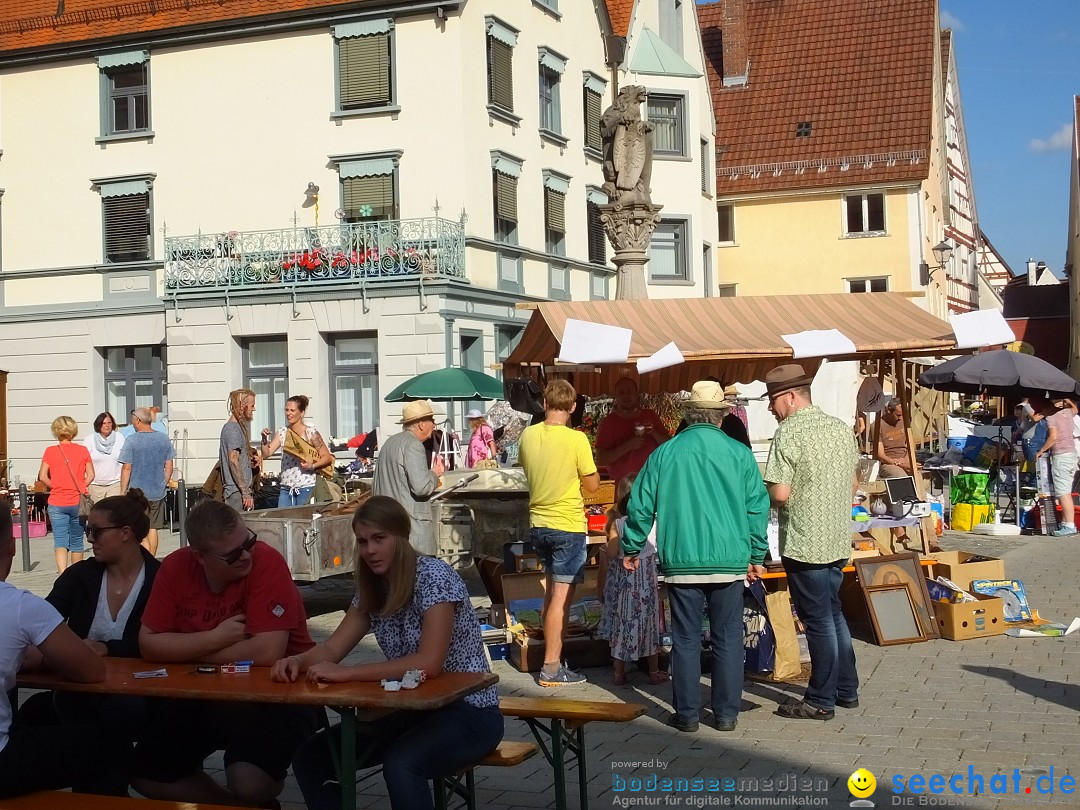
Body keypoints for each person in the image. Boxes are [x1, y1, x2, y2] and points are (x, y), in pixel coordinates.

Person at [276, 496, 504, 810]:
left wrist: (347, 674)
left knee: (402, 762)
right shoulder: (373, 586)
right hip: (411, 710)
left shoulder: (433, 576)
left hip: (468, 711)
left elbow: (429, 664)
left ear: (401, 536)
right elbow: (331, 648)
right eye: (363, 541)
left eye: (379, 538)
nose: (370, 550)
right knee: (310, 757)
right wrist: (297, 661)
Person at [131, 500, 320, 807]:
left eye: (249, 542)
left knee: (249, 782)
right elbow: (149, 645)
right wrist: (215, 638)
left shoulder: (266, 562)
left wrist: (187, 649)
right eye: (233, 555)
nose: (246, 555)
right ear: (200, 557)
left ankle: (247, 801)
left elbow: (266, 652)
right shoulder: (177, 566)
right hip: (207, 696)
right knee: (145, 773)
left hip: (281, 695)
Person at [621, 380, 769, 733]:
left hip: (681, 559)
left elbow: (640, 503)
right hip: (729, 560)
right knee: (728, 638)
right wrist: (757, 553)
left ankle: (687, 715)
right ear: (721, 415)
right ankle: (726, 714)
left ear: (688, 414)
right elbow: (756, 508)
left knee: (685, 639)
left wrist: (632, 546)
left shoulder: (665, 453)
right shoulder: (739, 453)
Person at [0, 501, 131, 799]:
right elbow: (93, 671)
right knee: (109, 745)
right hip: (3, 760)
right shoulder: (21, 606)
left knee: (35, 715)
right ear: (12, 546)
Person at [762, 364, 861, 721]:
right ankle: (847, 689)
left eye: (773, 401)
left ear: (790, 397)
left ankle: (821, 699)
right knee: (833, 614)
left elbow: (781, 493)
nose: (771, 409)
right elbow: (852, 484)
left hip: (805, 542)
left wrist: (766, 493)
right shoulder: (840, 429)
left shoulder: (789, 434)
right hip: (835, 538)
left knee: (818, 620)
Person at [35, 490, 161, 734]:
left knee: (124, 709)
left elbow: (168, 639)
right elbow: (42, 621)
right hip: (81, 688)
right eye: (88, 530)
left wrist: (107, 648)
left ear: (126, 533)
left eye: (97, 531)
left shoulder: (161, 579)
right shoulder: (79, 576)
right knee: (36, 711)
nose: (90, 539)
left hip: (145, 691)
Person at [518, 379, 600, 687]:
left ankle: (553, 659)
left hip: (539, 522)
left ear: (544, 403)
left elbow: (527, 468)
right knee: (560, 600)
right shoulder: (576, 440)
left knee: (551, 595)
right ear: (573, 407)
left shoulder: (528, 435)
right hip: (567, 523)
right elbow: (592, 485)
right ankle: (551, 668)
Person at [597, 474, 665, 687]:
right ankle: (653, 671)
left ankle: (619, 673)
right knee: (650, 624)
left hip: (625, 589)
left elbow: (611, 553)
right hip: (647, 588)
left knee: (622, 626)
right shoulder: (653, 522)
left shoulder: (618, 523)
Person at [373, 400, 445, 555]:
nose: (434, 424)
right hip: (411, 533)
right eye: (431, 420)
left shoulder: (390, 443)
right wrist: (435, 472)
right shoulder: (413, 445)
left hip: (388, 526)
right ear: (421, 424)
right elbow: (421, 487)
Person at [38, 415, 95, 574]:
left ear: (56, 431)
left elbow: (43, 476)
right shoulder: (82, 450)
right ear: (74, 431)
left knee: (60, 541)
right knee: (77, 541)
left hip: (57, 501)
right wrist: (81, 485)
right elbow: (91, 475)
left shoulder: (50, 451)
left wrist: (55, 485)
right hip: (78, 501)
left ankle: (63, 575)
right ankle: (76, 575)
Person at [259, 395, 335, 507]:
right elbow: (267, 453)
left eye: (292, 410)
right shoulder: (283, 432)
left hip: (306, 487)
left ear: (302, 413)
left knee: (303, 522)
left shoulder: (310, 432)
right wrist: (264, 439)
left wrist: (312, 466)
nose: (288, 413)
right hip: (286, 488)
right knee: (284, 522)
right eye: (287, 410)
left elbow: (327, 457)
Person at [119, 407, 175, 556]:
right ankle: (152, 557)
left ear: (137, 421)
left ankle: (145, 558)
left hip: (136, 493)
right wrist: (164, 482)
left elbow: (126, 468)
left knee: (138, 527)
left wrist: (122, 491)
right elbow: (169, 465)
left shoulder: (131, 440)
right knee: (153, 528)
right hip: (157, 490)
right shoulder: (163, 438)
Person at [595, 377, 669, 483]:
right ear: (616, 396)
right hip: (625, 487)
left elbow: (669, 446)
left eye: (629, 391)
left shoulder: (650, 415)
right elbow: (600, 459)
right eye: (621, 392)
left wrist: (654, 433)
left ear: (637, 393)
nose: (626, 395)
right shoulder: (608, 423)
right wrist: (628, 446)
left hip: (652, 482)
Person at [872, 398, 914, 550]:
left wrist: (909, 461)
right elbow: (880, 454)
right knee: (900, 477)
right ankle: (899, 526)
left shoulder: (905, 422)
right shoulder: (878, 426)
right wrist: (898, 463)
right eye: (897, 415)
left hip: (904, 460)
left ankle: (931, 538)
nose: (900, 418)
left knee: (919, 481)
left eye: (903, 415)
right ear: (889, 411)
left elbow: (910, 446)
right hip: (888, 463)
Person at [1035, 398, 1078, 536]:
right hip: (1072, 454)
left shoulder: (1051, 418)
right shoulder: (1067, 412)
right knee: (1066, 490)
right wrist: (1068, 400)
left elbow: (1053, 437)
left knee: (1063, 493)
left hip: (1061, 455)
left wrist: (1041, 450)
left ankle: (1070, 525)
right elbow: (1075, 409)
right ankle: (1065, 523)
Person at [220, 388, 258, 513]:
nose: (254, 409)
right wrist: (245, 492)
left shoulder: (236, 427)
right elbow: (233, 460)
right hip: (237, 494)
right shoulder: (233, 429)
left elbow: (237, 458)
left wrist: (249, 462)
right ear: (243, 406)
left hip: (238, 493)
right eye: (252, 405)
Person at [84, 411, 126, 503]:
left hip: (115, 483)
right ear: (98, 425)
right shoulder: (89, 439)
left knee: (113, 513)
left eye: (109, 423)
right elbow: (83, 463)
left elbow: (125, 461)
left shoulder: (120, 437)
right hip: (95, 484)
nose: (107, 425)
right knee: (98, 513)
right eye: (103, 423)